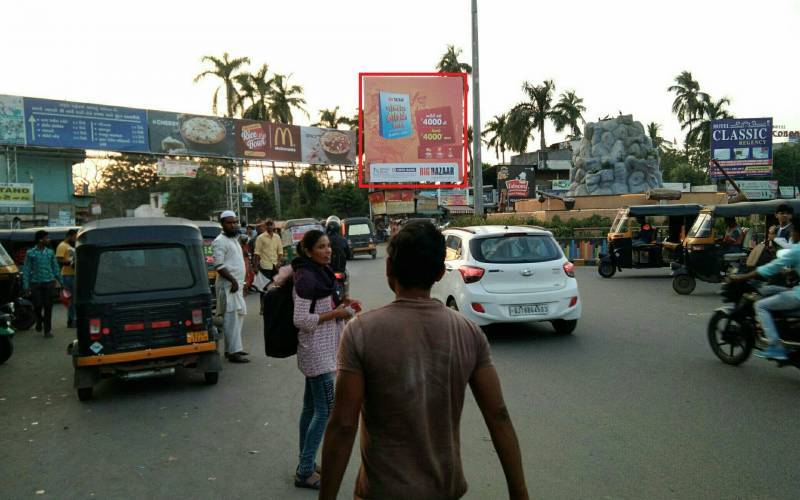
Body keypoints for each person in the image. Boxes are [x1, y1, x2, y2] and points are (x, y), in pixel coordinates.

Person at [320, 221, 528, 500]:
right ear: (441, 273)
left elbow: (344, 426)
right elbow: (498, 416)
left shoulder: (361, 332)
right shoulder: (469, 333)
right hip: (444, 489)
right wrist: (519, 493)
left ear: (389, 268)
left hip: (382, 491)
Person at [289, 229, 355, 490]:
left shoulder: (321, 273)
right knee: (325, 411)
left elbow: (326, 305)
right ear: (307, 251)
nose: (327, 251)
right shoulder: (306, 279)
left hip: (325, 349)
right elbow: (301, 320)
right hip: (317, 353)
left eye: (328, 246)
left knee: (310, 409)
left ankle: (305, 462)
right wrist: (337, 314)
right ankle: (305, 471)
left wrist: (346, 303)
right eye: (321, 247)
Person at [730, 231, 800, 360]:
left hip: (798, 295)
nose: (791, 236)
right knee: (769, 290)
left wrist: (743, 276)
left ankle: (775, 346)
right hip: (793, 287)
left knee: (760, 305)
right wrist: (790, 272)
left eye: (792, 233)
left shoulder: (797, 250)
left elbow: (770, 268)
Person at [212, 211, 250, 364]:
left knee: (239, 315)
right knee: (231, 319)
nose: (233, 225)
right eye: (229, 222)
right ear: (222, 224)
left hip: (237, 285)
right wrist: (234, 281)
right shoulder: (219, 241)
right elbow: (218, 265)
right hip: (228, 286)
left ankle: (234, 348)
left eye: (234, 222)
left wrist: (243, 283)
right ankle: (233, 353)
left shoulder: (234, 239)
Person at [23, 230, 62, 338]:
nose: (48, 240)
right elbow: (26, 270)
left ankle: (47, 330)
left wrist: (62, 282)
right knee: (37, 305)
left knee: (48, 307)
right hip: (35, 283)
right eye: (46, 238)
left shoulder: (50, 252)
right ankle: (39, 320)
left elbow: (55, 268)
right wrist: (26, 286)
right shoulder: (30, 253)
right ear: (40, 240)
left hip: (49, 283)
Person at [56, 229, 78, 328]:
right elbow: (59, 261)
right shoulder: (62, 246)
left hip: (72, 274)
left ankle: (72, 319)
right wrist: (72, 263)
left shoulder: (69, 246)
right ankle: (72, 320)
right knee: (71, 299)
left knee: (74, 299)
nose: (75, 238)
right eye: (75, 237)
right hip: (67, 275)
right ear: (70, 236)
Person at [254, 219, 284, 287]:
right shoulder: (260, 238)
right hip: (265, 266)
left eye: (271, 225)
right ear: (265, 226)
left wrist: (279, 262)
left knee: (276, 286)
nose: (269, 226)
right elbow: (257, 253)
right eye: (268, 225)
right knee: (264, 287)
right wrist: (255, 267)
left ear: (274, 226)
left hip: (275, 266)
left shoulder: (277, 237)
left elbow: (280, 252)